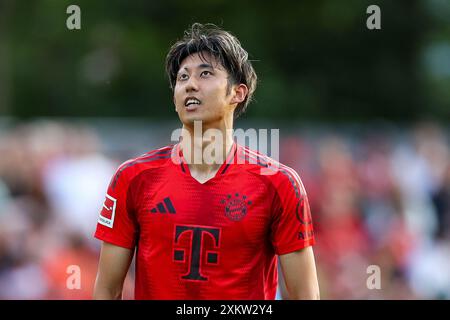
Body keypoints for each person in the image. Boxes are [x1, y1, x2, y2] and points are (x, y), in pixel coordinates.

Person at [93, 23, 319, 300]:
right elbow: (106, 290)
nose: (190, 84)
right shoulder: (132, 178)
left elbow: (304, 295)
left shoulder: (279, 183)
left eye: (206, 74)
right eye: (182, 77)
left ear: (238, 92)